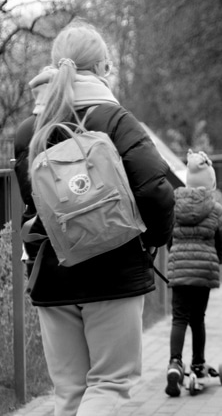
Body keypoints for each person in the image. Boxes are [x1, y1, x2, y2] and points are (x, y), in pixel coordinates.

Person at [13, 22, 175, 415]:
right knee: (109, 384)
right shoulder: (115, 119)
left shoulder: (29, 130)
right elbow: (155, 189)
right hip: (114, 271)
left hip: (52, 272)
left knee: (69, 392)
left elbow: (32, 201)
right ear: (102, 67)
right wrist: (152, 238)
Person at [164, 150, 222, 397]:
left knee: (179, 318)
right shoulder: (215, 209)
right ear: (211, 184)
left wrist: (175, 254)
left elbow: (169, 238)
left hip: (180, 270)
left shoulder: (174, 206)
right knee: (198, 318)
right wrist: (221, 258)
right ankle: (198, 363)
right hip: (203, 271)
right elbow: (221, 239)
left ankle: (175, 363)